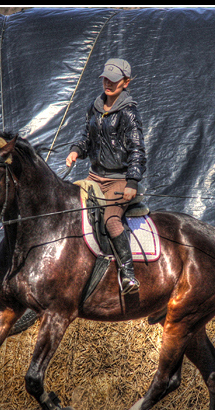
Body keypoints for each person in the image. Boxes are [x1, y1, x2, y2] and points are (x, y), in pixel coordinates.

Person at [66, 58, 146, 295]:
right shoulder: (95, 106)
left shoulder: (129, 112)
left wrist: (132, 181)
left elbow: (137, 149)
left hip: (118, 179)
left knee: (112, 220)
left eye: (113, 79)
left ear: (126, 82)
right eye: (105, 78)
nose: (108, 83)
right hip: (93, 177)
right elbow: (86, 136)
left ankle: (128, 273)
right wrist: (75, 150)